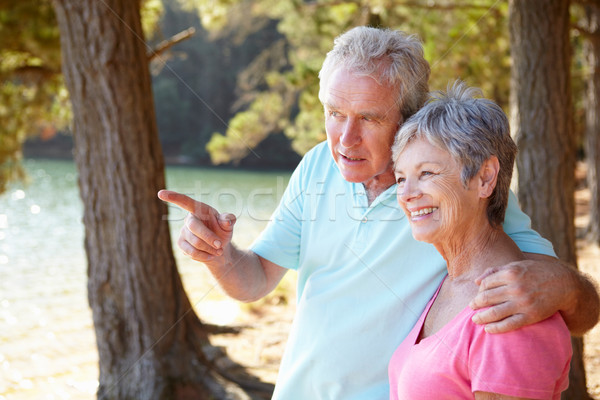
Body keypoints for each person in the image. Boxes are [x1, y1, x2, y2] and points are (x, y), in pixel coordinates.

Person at [158, 26, 598, 400]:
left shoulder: (454, 196)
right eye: (334, 113)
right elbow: (254, 280)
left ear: (408, 117)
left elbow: (571, 303)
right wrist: (220, 254)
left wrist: (565, 286)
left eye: (368, 118)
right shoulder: (316, 165)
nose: (345, 140)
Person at [389, 80, 572, 400]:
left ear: (485, 177)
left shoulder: (511, 312)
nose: (405, 194)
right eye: (401, 178)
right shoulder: (451, 283)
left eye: (427, 173)